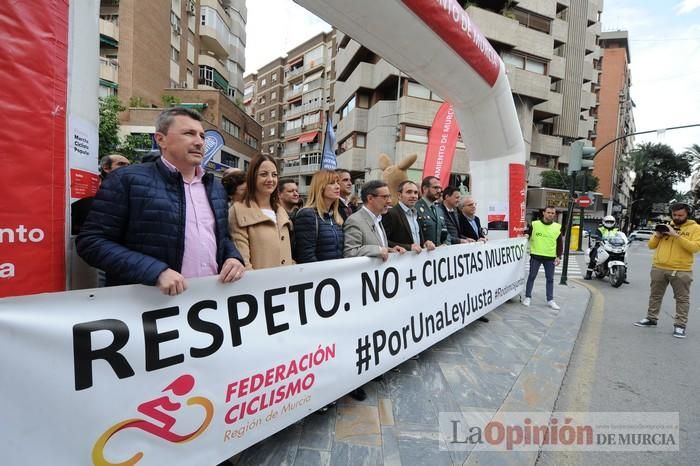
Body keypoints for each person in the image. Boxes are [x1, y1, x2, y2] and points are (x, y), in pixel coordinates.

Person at [77, 107, 245, 295]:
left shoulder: (215, 188)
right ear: (160, 139)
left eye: (202, 136)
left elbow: (222, 238)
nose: (199, 142)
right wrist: (155, 272)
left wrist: (233, 257)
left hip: (207, 302)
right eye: (189, 133)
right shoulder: (126, 180)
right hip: (149, 308)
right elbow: (91, 242)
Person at [293, 170, 367, 402]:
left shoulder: (337, 218)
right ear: (320, 187)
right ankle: (323, 390)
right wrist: (325, 289)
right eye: (332, 184)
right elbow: (306, 257)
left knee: (344, 339)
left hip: (340, 289)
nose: (338, 187)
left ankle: (348, 381)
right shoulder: (307, 215)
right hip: (320, 292)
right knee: (322, 344)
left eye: (338, 183)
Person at [634, 203, 700, 338]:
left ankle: (680, 325)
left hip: (681, 270)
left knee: (682, 299)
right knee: (655, 295)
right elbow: (651, 246)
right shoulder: (665, 226)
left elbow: (695, 248)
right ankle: (651, 318)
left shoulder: (696, 228)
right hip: (659, 267)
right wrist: (658, 234)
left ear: (688, 214)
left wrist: (676, 235)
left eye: (681, 215)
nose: (677, 217)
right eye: (674, 215)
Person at [229, 154, 293, 270]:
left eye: (274, 175)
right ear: (253, 177)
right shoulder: (238, 210)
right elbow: (243, 262)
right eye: (264, 174)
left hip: (286, 285)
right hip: (259, 286)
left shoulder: (281, 211)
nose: (270, 179)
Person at [344, 180, 406, 260]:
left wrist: (389, 250)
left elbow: (379, 247)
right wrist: (379, 250)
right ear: (370, 198)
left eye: (389, 196)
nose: (389, 201)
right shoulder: (354, 221)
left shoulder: (378, 218)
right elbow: (350, 252)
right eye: (385, 197)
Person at [71, 153, 131, 235]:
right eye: (121, 164)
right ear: (106, 167)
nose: (127, 168)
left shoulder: (131, 196)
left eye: (128, 165)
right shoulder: (87, 201)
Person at [523, 206, 562, 310]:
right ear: (544, 213)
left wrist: (558, 256)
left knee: (550, 279)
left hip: (550, 257)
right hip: (536, 255)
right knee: (532, 276)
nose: (551, 215)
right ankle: (527, 297)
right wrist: (526, 234)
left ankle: (550, 300)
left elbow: (559, 243)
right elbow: (527, 232)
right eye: (549, 212)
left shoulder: (557, 227)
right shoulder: (535, 224)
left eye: (553, 213)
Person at [382, 180, 436, 252]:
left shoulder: (416, 213)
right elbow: (382, 241)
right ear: (399, 195)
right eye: (409, 192)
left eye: (416, 193)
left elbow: (416, 239)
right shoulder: (391, 214)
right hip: (399, 260)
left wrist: (425, 243)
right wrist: (408, 247)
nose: (413, 196)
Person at [416, 176, 451, 246]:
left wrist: (446, 245)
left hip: (439, 254)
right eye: (435, 188)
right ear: (425, 189)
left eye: (440, 188)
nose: (439, 191)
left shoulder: (439, 210)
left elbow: (445, 232)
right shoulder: (415, 208)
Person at [585, 215, 619, 280]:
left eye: (611, 222)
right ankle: (588, 274)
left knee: (622, 255)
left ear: (614, 222)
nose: (609, 223)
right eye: (607, 221)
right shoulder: (600, 229)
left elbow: (621, 236)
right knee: (594, 255)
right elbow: (597, 235)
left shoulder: (617, 230)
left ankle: (624, 276)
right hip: (601, 244)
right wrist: (598, 238)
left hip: (613, 246)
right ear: (604, 222)